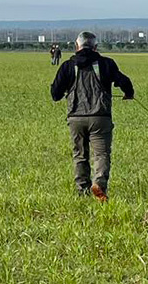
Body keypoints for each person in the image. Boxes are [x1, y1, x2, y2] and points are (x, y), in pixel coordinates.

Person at [50, 31, 134, 201]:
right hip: (100, 117)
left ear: (76, 46)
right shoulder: (106, 64)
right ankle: (99, 185)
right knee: (101, 155)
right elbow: (124, 81)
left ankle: (82, 190)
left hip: (76, 118)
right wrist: (129, 93)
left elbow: (55, 94)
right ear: (95, 47)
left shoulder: (67, 66)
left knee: (80, 155)